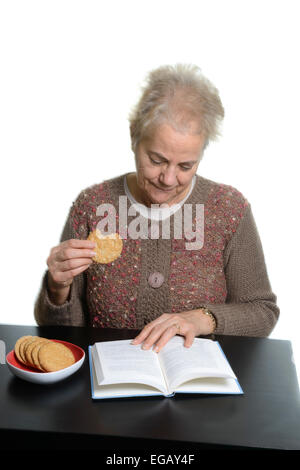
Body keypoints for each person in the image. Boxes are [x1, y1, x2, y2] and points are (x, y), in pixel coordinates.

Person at [34, 64, 279, 353]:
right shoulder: (92, 206)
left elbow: (262, 312)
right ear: (134, 136)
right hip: (108, 379)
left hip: (197, 384)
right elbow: (62, 339)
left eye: (186, 166)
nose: (168, 178)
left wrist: (203, 319)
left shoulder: (229, 209)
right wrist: (57, 289)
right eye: (157, 160)